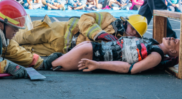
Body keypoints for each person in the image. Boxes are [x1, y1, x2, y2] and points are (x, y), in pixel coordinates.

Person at [14, 12, 148, 57]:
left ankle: (1, 49)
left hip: (63, 49)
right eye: (132, 28)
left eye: (136, 33)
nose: (132, 33)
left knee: (25, 49)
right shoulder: (109, 18)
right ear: (126, 23)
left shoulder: (122, 46)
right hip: (62, 30)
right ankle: (0, 37)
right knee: (23, 37)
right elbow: (85, 18)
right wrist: (99, 34)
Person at [51, 36, 179, 74]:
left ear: (173, 52)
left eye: (177, 42)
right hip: (93, 47)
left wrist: (98, 64)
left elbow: (130, 68)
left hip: (93, 54)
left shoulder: (156, 56)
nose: (174, 38)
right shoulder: (154, 43)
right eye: (176, 38)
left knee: (51, 65)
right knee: (53, 63)